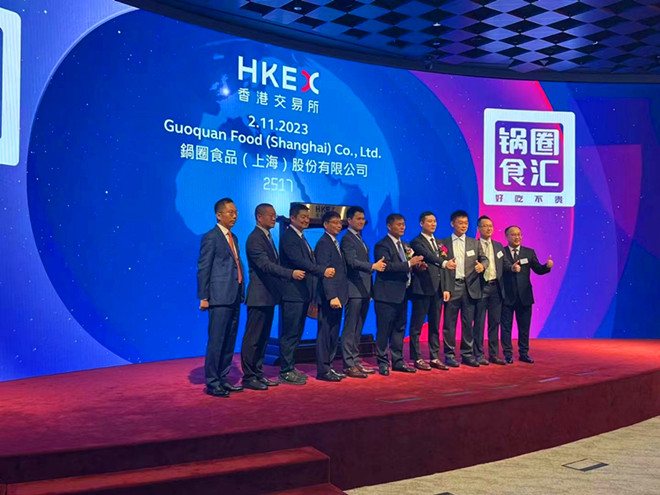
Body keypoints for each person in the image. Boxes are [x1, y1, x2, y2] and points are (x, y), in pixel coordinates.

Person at [240, 203, 306, 391]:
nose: (273, 218)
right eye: (269, 215)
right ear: (259, 217)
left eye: (274, 214)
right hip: (258, 296)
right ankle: (249, 376)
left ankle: (258, 373)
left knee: (263, 339)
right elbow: (265, 265)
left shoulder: (267, 237)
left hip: (269, 296)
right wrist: (290, 273)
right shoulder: (254, 238)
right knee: (253, 339)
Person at [279, 203, 335, 384]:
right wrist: (322, 270)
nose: (306, 220)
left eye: (307, 217)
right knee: (290, 333)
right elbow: (299, 261)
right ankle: (285, 370)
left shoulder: (301, 237)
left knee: (297, 333)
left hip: (302, 293)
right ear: (292, 218)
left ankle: (290, 367)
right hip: (292, 293)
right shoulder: (289, 237)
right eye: (302, 217)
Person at [197, 198, 245, 398]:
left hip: (234, 295)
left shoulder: (234, 238)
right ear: (219, 215)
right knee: (217, 341)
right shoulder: (211, 237)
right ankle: (212, 382)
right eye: (230, 212)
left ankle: (223, 378)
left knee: (229, 340)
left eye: (236, 212)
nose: (234, 216)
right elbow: (204, 268)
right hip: (219, 297)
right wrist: (204, 296)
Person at [373, 213, 424, 375]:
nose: (403, 227)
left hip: (402, 294)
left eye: (404, 224)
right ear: (389, 226)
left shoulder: (405, 245)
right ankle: (382, 362)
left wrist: (417, 266)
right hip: (386, 295)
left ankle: (398, 361)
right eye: (399, 224)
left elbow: (407, 265)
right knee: (384, 330)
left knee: (399, 329)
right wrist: (409, 263)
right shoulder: (382, 245)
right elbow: (386, 267)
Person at [340, 206, 385, 378]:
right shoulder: (347, 239)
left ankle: (355, 360)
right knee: (350, 328)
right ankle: (348, 364)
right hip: (353, 290)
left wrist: (370, 291)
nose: (362, 222)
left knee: (358, 328)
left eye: (363, 219)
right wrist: (372, 266)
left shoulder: (359, 238)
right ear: (349, 220)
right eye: (358, 219)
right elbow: (352, 262)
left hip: (364, 290)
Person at [440, 210, 489, 368]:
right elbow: (441, 267)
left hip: (470, 288)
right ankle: (449, 355)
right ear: (452, 223)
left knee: (468, 323)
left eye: (466, 223)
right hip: (452, 287)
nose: (464, 226)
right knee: (449, 323)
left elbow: (485, 259)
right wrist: (445, 287)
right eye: (460, 223)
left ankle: (467, 354)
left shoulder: (474, 243)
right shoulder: (443, 243)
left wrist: (483, 266)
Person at [501, 225, 553, 364]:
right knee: (506, 328)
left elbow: (538, 269)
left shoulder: (529, 252)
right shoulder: (501, 252)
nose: (517, 237)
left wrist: (547, 266)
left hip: (525, 297)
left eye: (519, 234)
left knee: (524, 328)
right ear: (506, 237)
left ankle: (524, 353)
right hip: (506, 296)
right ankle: (508, 354)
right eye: (513, 234)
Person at [408, 211, 450, 371]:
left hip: (437, 290)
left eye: (435, 221)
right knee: (417, 325)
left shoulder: (439, 243)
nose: (433, 224)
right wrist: (444, 263)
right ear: (421, 223)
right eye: (430, 221)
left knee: (435, 325)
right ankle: (417, 357)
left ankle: (434, 357)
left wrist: (445, 288)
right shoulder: (416, 242)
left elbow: (443, 269)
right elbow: (429, 257)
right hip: (422, 289)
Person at [314, 211, 350, 382]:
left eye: (339, 222)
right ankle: (323, 370)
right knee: (325, 334)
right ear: (325, 225)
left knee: (334, 334)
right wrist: (332, 296)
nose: (338, 225)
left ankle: (330, 366)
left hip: (339, 296)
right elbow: (325, 272)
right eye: (334, 222)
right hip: (330, 297)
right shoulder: (323, 243)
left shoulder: (335, 243)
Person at [472, 215, 507, 366]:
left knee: (494, 322)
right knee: (479, 323)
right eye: (485, 226)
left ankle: (494, 354)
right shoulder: (473, 245)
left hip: (496, 288)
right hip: (480, 287)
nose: (489, 228)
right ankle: (478, 354)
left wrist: (512, 267)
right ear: (478, 228)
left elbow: (504, 263)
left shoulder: (498, 246)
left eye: (491, 226)